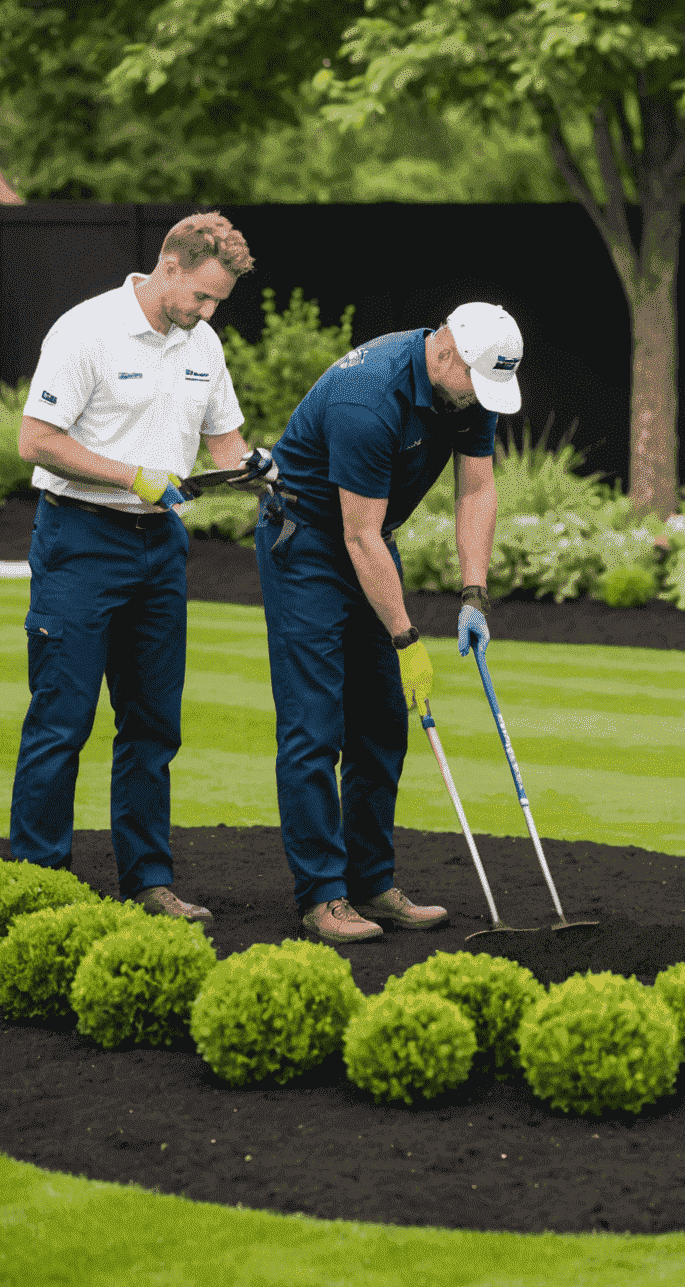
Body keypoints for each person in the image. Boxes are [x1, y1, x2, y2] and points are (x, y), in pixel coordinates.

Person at [9, 211, 259, 924]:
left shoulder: (202, 344)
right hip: (79, 540)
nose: (208, 313)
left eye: (218, 304)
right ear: (171, 266)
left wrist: (258, 472)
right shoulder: (85, 330)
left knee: (153, 724)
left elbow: (225, 446)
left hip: (161, 549)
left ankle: (149, 882)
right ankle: (38, 886)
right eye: (203, 297)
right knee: (62, 718)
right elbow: (36, 440)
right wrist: (132, 476)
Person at [258, 303, 523, 944]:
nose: (480, 401)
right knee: (314, 725)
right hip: (310, 545)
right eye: (476, 385)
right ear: (445, 353)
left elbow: (476, 490)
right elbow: (357, 534)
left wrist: (473, 595)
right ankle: (323, 896)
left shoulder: (470, 389)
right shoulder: (367, 397)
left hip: (372, 540)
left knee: (382, 724)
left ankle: (372, 884)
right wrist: (406, 638)